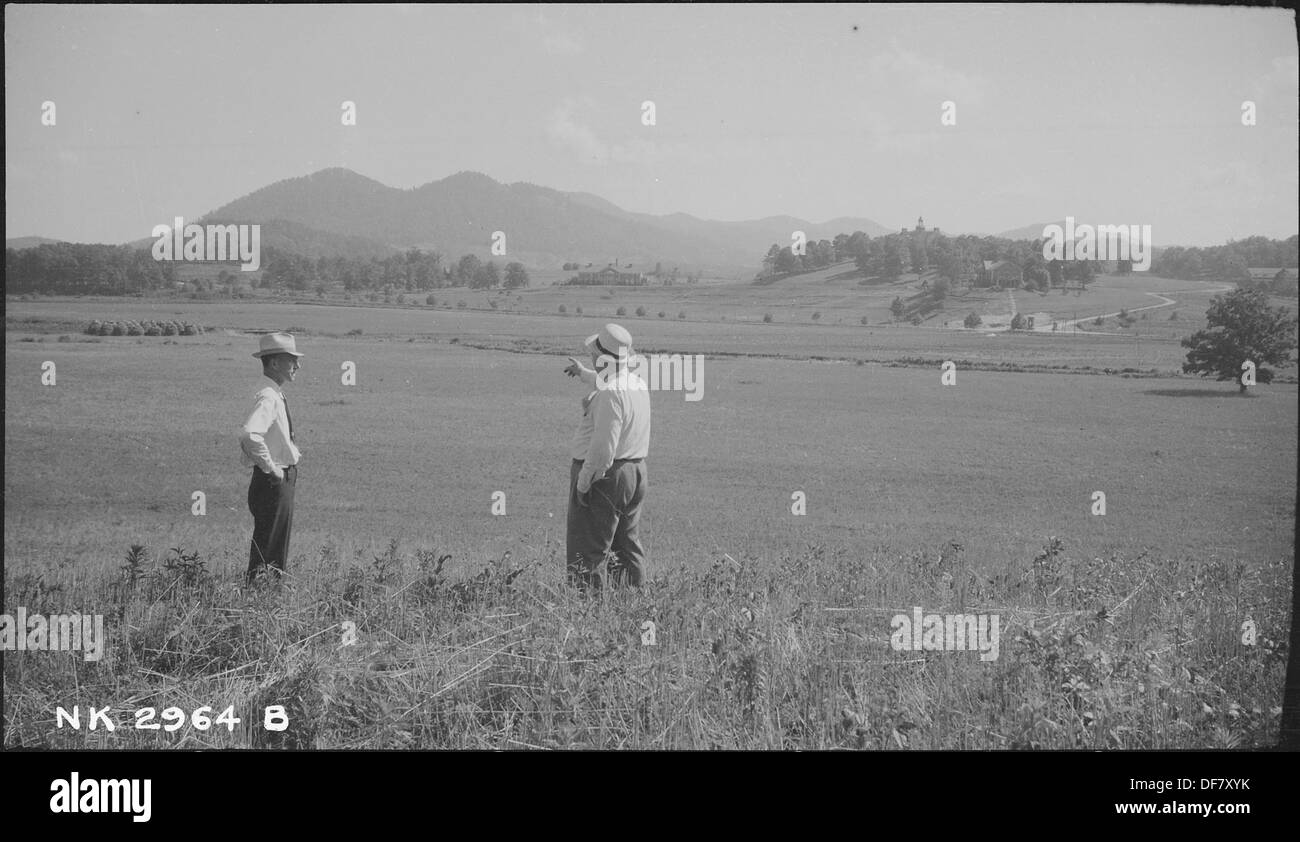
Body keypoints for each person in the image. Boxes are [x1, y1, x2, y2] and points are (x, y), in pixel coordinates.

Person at [562, 324, 652, 592]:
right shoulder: (635, 383)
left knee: (587, 551)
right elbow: (608, 380)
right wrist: (582, 374)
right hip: (635, 472)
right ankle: (635, 602)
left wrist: (583, 484)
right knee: (626, 547)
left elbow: (602, 450)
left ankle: (586, 612)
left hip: (606, 477)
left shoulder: (610, 392)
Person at [240, 332, 303, 583]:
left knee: (270, 545)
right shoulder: (268, 396)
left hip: (273, 480)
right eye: (291, 360)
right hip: (274, 482)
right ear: (274, 363)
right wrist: (273, 469)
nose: (297, 365)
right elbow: (249, 435)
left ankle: (260, 598)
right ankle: (262, 600)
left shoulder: (271, 392)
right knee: (270, 550)